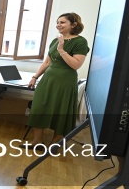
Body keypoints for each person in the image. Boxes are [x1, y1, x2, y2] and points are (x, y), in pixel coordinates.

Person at [26, 12, 89, 147]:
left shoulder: (80, 41)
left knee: (61, 111)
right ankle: (37, 141)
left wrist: (61, 49)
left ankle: (55, 143)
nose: (58, 25)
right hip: (48, 79)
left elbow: (76, 64)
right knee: (39, 108)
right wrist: (35, 77)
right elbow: (47, 62)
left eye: (62, 22)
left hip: (65, 81)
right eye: (57, 22)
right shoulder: (55, 41)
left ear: (74, 24)